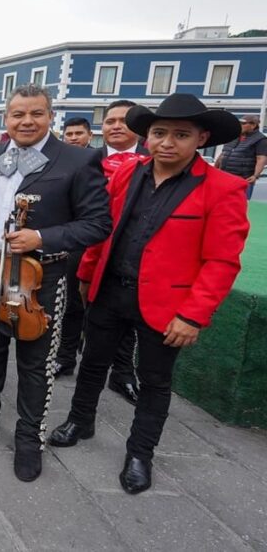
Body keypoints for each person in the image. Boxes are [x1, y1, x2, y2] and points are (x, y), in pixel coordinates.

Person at [49, 93, 249, 494]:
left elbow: (222, 261)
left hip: (167, 303)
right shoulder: (128, 173)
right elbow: (102, 229)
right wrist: (87, 275)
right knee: (92, 363)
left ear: (201, 138)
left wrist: (193, 315)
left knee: (154, 381)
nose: (167, 143)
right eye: (159, 133)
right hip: (111, 289)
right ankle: (80, 420)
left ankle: (140, 452)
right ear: (148, 136)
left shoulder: (222, 188)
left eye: (180, 135)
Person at [0, 84, 111, 483]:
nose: (26, 121)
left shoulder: (78, 159)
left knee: (36, 358)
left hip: (38, 275)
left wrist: (42, 238)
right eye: (18, 114)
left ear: (50, 116)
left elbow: (98, 224)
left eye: (35, 113)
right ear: (6, 118)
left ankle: (28, 437)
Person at [89, 99, 149, 403]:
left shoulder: (153, 162)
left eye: (123, 121)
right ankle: (66, 356)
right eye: (109, 120)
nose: (115, 126)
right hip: (85, 246)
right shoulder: (85, 159)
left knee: (127, 318)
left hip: (127, 254)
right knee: (76, 308)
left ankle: (123, 373)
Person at [53, 116, 101, 381]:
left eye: (78, 133)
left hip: (97, 240)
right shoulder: (59, 161)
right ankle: (65, 356)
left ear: (89, 135)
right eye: (69, 133)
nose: (73, 138)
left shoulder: (97, 159)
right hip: (70, 243)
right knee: (70, 303)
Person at [216, 114, 266, 200]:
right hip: (224, 176)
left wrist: (255, 175)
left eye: (243, 124)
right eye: (239, 123)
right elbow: (224, 153)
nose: (240, 126)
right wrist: (216, 167)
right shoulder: (233, 136)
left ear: (253, 125)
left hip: (243, 179)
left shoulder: (261, 140)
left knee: (239, 205)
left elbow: (261, 159)